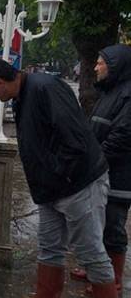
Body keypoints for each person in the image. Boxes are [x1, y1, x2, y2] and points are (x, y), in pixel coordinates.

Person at [0, 57, 117, 297]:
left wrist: (58, 174)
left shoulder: (45, 88)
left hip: (78, 184)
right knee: (49, 249)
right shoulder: (23, 94)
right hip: (51, 188)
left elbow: (75, 141)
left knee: (90, 254)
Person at [70, 44, 131, 293]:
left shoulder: (127, 95)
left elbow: (123, 136)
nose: (95, 67)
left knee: (113, 227)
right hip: (99, 172)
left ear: (114, 66)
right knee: (96, 223)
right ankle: (96, 268)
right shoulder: (109, 92)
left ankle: (113, 280)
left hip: (119, 176)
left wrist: (95, 160)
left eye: (100, 62)